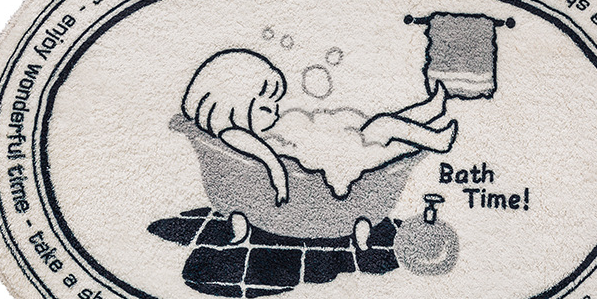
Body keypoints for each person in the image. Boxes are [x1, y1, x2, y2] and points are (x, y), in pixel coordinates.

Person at [182, 49, 457, 206]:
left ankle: (430, 111)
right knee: (385, 129)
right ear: (233, 106)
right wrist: (276, 171)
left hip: (337, 148)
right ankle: (436, 139)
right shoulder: (232, 132)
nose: (274, 110)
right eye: (265, 106)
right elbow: (257, 150)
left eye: (274, 102)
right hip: (342, 158)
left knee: (381, 125)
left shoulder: (261, 130)